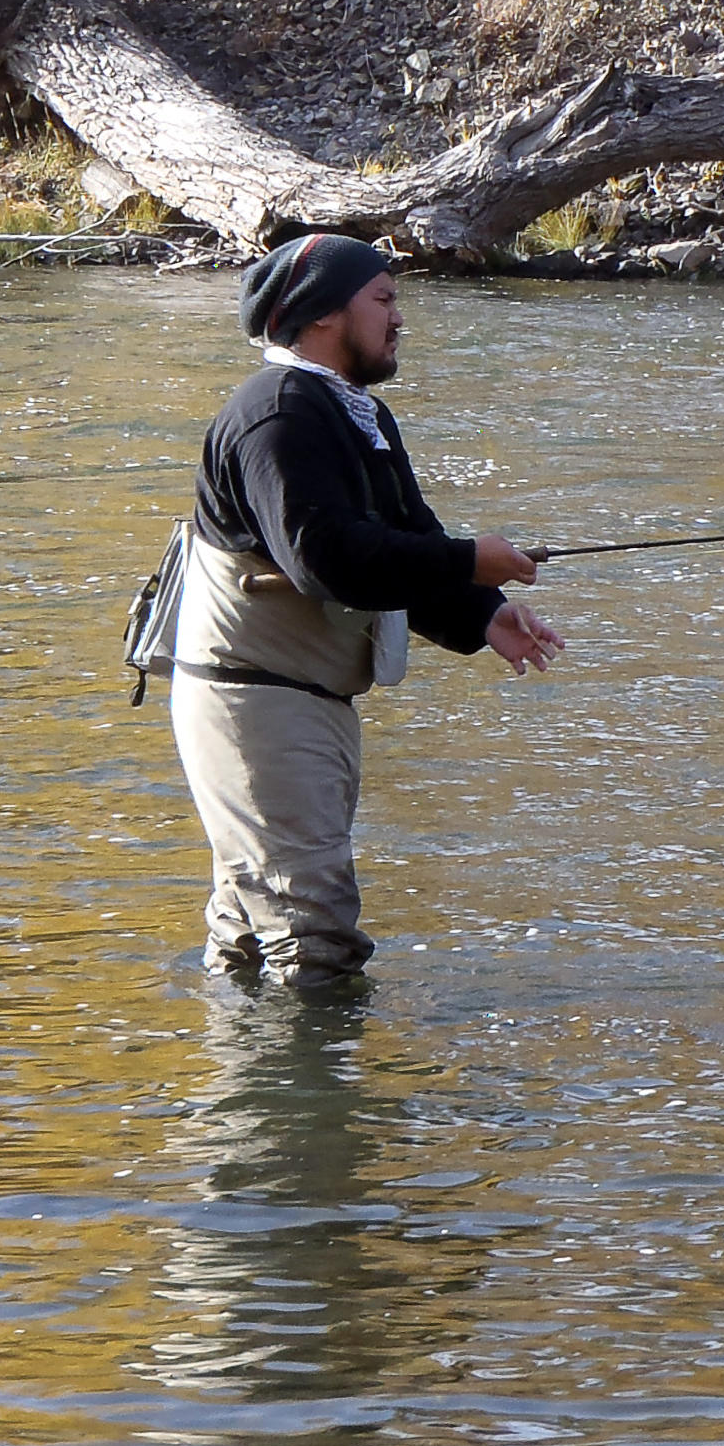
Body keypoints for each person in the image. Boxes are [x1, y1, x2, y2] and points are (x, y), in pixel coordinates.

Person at [171, 233, 563, 985]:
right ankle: (315, 1097)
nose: (399, 317)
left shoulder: (360, 417)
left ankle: (251, 1086)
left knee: (256, 928)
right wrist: (466, 559)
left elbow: (406, 542)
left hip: (303, 703)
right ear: (322, 315)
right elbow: (327, 559)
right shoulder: (276, 414)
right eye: (382, 299)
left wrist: (483, 614)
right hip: (254, 705)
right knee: (312, 934)